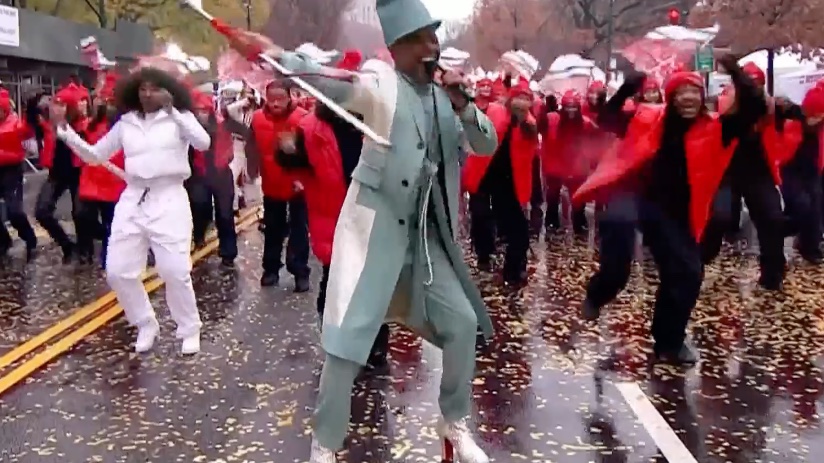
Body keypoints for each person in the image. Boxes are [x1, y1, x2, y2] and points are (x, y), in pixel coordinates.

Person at [226, 0, 499, 460]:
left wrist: (466, 104)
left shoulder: (443, 97)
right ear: (400, 46)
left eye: (436, 37)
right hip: (375, 236)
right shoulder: (381, 83)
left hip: (427, 243)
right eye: (425, 39)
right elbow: (329, 82)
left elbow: (484, 142)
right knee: (346, 344)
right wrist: (270, 51)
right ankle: (325, 442)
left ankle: (453, 423)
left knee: (463, 324)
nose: (435, 46)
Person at [573, 56, 764, 366]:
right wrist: (629, 86)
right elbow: (606, 119)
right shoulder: (648, 117)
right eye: (681, 92)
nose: (688, 98)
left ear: (702, 99)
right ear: (671, 98)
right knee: (617, 267)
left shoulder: (717, 128)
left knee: (687, 272)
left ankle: (669, 342)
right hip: (631, 196)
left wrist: (737, 72)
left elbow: (754, 109)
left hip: (672, 211)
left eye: (695, 92)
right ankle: (597, 295)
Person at [51, 67, 210, 355]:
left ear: (167, 90)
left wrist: (173, 109)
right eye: (142, 89)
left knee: (174, 271)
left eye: (154, 88)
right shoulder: (126, 123)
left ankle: (189, 329)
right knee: (118, 272)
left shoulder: (180, 118)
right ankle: (145, 323)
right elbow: (96, 156)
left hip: (169, 197)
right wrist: (66, 134)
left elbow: (203, 142)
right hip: (134, 197)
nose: (147, 94)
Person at [275, 48, 391, 371]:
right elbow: (297, 166)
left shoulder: (378, 124)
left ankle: (375, 346)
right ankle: (338, 340)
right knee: (333, 290)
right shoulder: (310, 126)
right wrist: (288, 154)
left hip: (370, 219)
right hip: (332, 220)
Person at [229, 79, 311, 291]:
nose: (275, 104)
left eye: (280, 99)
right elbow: (252, 147)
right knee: (273, 228)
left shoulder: (302, 118)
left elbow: (311, 153)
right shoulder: (257, 118)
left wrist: (304, 179)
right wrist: (251, 171)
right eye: (271, 99)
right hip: (272, 182)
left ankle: (300, 271)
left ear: (290, 97)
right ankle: (271, 269)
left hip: (297, 184)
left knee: (299, 229)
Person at [463, 77, 537, 283]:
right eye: (518, 98)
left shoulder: (529, 122)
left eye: (526, 99)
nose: (522, 102)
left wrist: (522, 121)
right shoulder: (495, 111)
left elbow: (532, 139)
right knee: (480, 216)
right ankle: (484, 254)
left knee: (519, 230)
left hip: (507, 183)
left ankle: (514, 270)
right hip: (483, 176)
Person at [75, 77, 125, 266]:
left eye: (107, 100)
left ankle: (109, 257)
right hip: (92, 179)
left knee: (111, 222)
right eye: (100, 99)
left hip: (114, 180)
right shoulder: (90, 123)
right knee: (82, 215)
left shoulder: (123, 124)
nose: (101, 102)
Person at [37, 83, 89, 263]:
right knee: (42, 211)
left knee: (81, 214)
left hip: (79, 174)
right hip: (56, 174)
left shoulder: (85, 126)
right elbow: (32, 118)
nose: (57, 109)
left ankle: (85, 249)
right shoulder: (50, 126)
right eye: (56, 105)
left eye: (63, 105)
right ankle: (67, 245)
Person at [187, 90, 238, 267]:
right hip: (198, 175)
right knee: (199, 207)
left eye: (204, 110)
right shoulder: (188, 127)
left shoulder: (222, 124)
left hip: (220, 174)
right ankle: (199, 235)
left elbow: (229, 147)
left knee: (225, 213)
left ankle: (228, 252)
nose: (201, 114)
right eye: (198, 110)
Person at [0, 89, 38, 260]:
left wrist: (31, 108)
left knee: (14, 211)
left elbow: (28, 131)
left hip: (12, 171)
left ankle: (30, 239)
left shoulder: (15, 123)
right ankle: (3, 241)